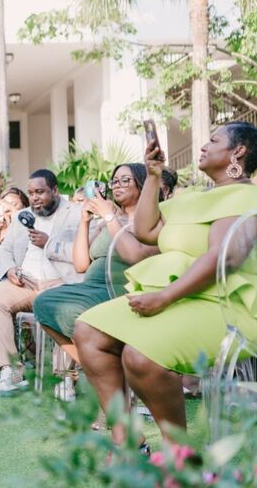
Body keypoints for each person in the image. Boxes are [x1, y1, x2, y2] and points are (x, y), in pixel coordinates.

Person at [74, 123, 257, 446]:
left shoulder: (249, 196)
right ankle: (127, 441)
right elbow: (146, 231)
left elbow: (224, 258)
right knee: (87, 330)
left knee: (140, 355)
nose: (203, 146)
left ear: (238, 151)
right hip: (183, 297)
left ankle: (179, 453)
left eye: (213, 140)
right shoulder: (193, 198)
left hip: (228, 303)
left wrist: (164, 297)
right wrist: (153, 175)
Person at [33, 164, 162, 401]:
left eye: (125, 180)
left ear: (142, 184)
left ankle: (108, 373)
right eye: (115, 181)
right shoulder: (107, 220)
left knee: (80, 316)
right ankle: (102, 369)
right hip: (90, 287)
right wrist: (85, 221)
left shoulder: (151, 220)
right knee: (43, 303)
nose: (117, 185)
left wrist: (110, 216)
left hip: (119, 289)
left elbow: (134, 256)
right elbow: (81, 264)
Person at [0, 169, 82, 392]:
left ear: (55, 191)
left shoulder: (76, 214)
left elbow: (83, 253)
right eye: (31, 193)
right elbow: (5, 250)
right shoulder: (23, 216)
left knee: (62, 309)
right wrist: (10, 269)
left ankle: (65, 377)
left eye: (40, 192)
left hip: (60, 283)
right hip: (26, 282)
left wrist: (49, 243)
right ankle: (11, 371)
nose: (35, 198)